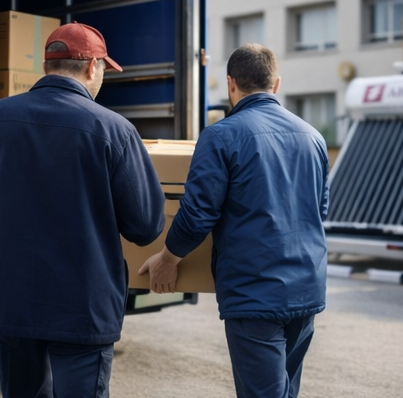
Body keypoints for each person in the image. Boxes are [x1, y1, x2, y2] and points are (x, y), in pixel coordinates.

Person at [0, 22, 165, 397]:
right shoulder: (114, 130)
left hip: (9, 299)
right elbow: (145, 225)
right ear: (92, 67)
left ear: (46, 66)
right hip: (82, 305)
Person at [139, 43, 330, 398]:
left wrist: (168, 259)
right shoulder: (313, 137)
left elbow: (198, 214)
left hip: (254, 292)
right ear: (276, 84)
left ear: (231, 84)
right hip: (306, 288)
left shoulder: (221, 136)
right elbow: (320, 212)